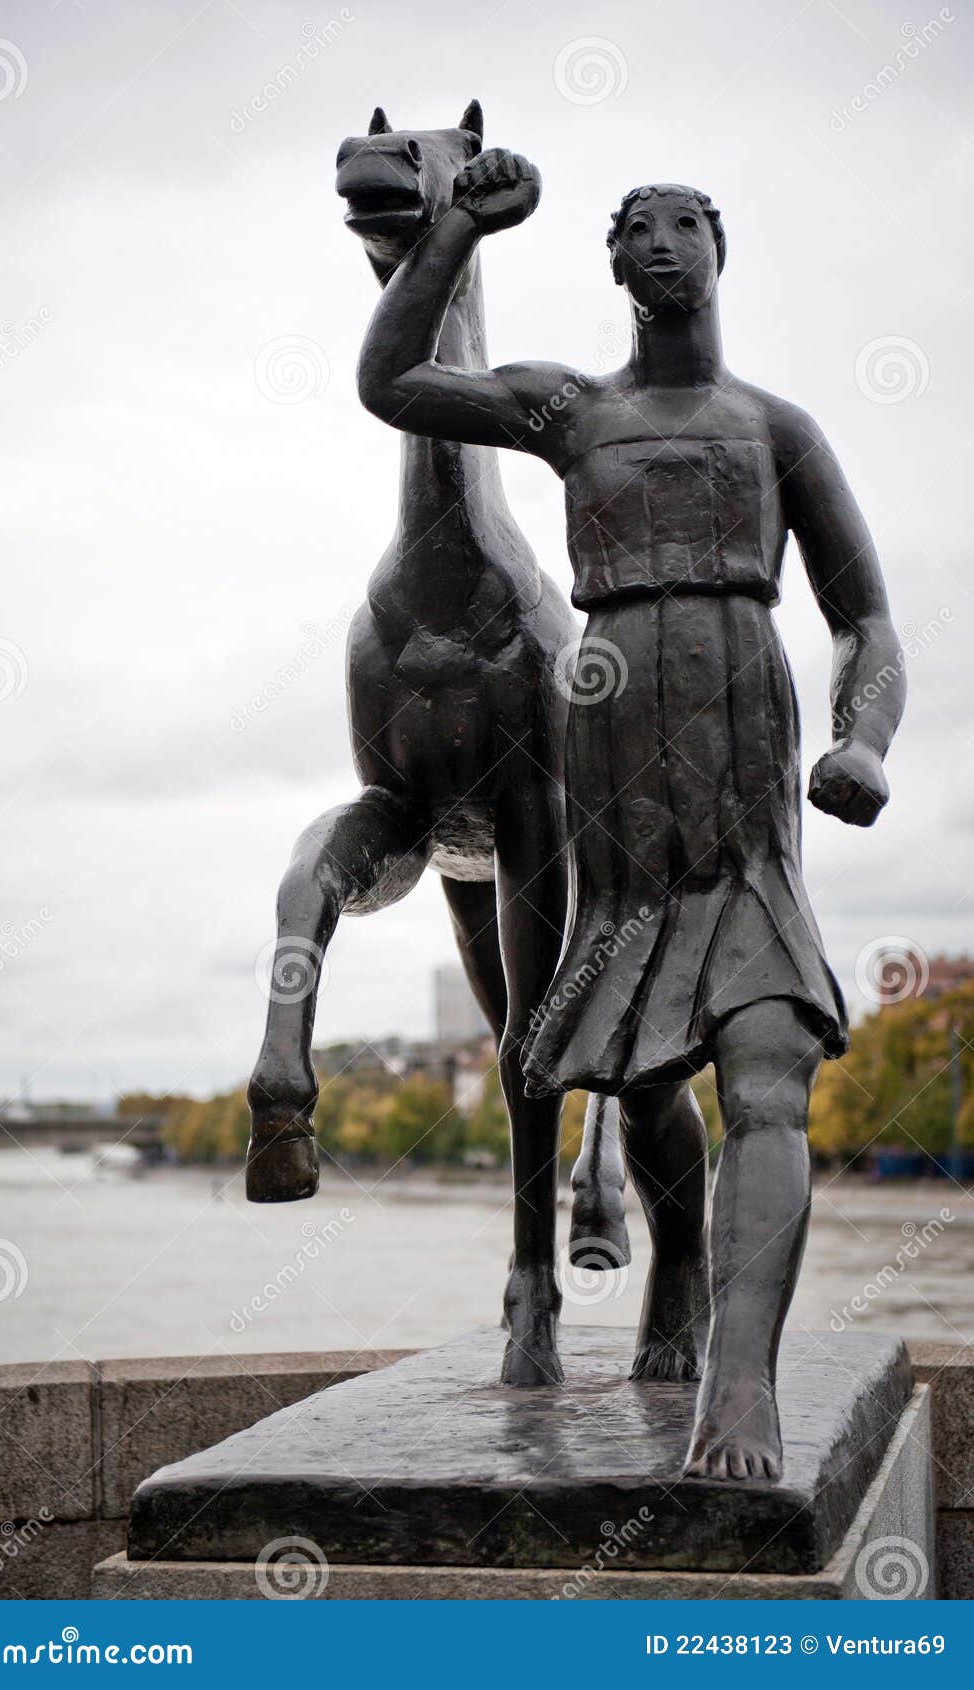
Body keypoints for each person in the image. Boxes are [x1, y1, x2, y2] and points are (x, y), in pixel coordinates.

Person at [356, 148, 905, 1480]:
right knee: (645, 1072)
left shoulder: (777, 431)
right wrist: (453, 239)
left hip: (746, 773)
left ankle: (742, 1383)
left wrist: (866, 744)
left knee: (765, 1064)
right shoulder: (568, 410)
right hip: (614, 776)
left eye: (681, 225)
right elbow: (391, 385)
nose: (658, 244)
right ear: (613, 268)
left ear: (718, 251)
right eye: (635, 231)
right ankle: (674, 1272)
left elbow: (865, 620)